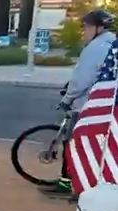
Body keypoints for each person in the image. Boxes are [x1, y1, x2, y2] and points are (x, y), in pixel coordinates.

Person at [41, 9, 115, 196]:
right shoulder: (112, 45)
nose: (84, 31)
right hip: (108, 107)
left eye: (87, 27)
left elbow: (82, 80)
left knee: (74, 143)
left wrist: (67, 99)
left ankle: (70, 184)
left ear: (99, 28)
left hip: (88, 106)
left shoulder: (95, 48)